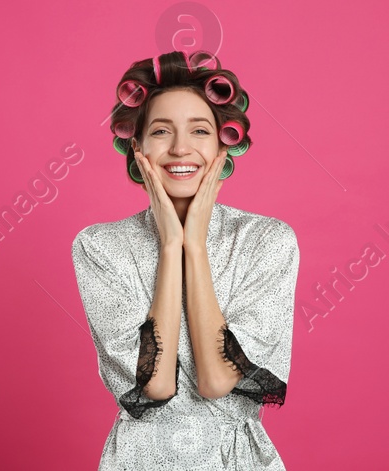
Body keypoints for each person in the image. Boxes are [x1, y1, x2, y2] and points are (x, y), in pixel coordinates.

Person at [74, 50, 294, 470]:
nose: (180, 148)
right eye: (160, 131)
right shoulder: (98, 246)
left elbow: (216, 381)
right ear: (137, 145)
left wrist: (195, 244)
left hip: (238, 460)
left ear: (221, 144)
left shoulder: (268, 241)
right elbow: (155, 385)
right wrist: (171, 245)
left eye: (199, 130)